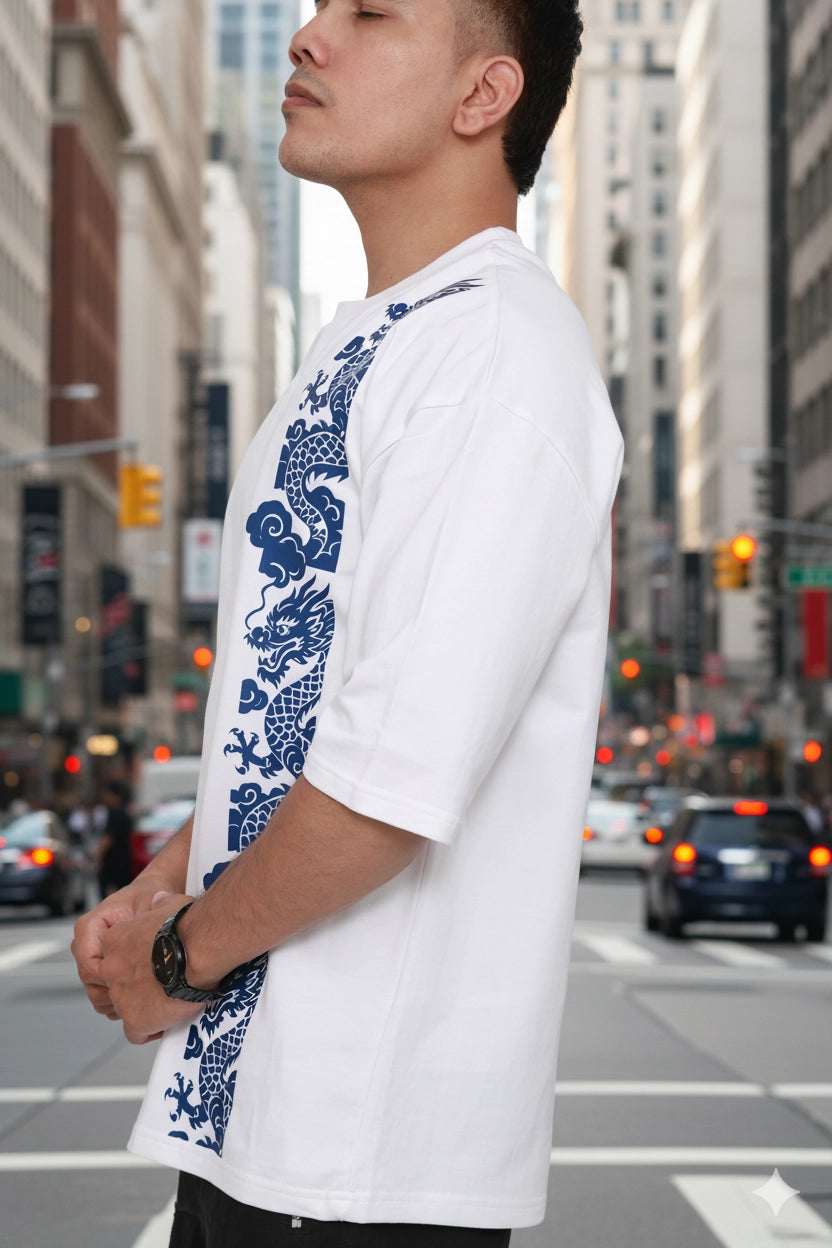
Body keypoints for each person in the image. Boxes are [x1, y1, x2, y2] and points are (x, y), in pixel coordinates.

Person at [72, 1, 623, 1243]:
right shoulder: (385, 337)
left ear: (482, 96)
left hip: (361, 1160)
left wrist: (177, 957)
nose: (309, 36)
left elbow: (391, 779)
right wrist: (161, 885)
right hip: (268, 1135)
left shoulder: (496, 357)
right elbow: (311, 715)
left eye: (371, 14)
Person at [94, 781, 134, 898]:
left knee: (105, 890)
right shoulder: (125, 812)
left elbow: (108, 838)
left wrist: (97, 856)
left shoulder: (114, 813)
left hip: (113, 861)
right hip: (124, 860)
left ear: (113, 795)